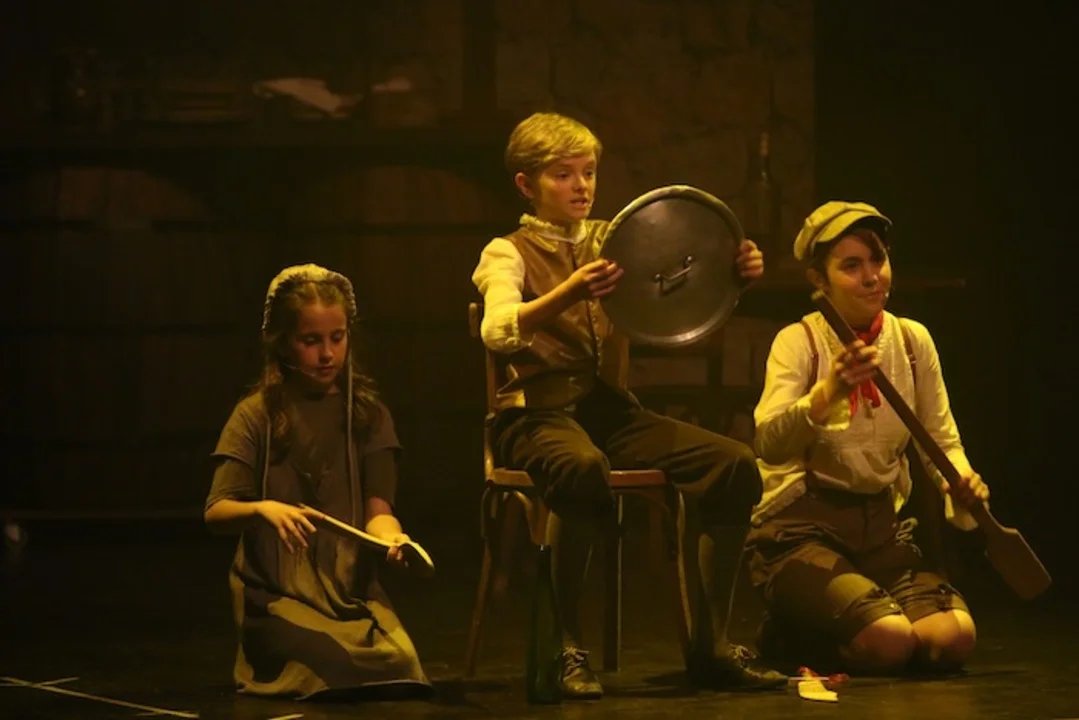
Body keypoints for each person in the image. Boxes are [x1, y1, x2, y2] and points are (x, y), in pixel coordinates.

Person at [471, 111, 786, 698]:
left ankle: (712, 648)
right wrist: (567, 292)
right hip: (533, 415)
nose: (581, 186)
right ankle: (563, 649)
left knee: (733, 463)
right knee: (580, 465)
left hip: (606, 410)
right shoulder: (506, 253)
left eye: (588, 172)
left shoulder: (611, 240)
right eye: (563, 175)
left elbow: (676, 282)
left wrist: (735, 271)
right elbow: (498, 330)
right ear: (526, 185)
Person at [749, 201, 986, 675]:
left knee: (953, 638)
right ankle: (788, 632)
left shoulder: (912, 342)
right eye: (851, 266)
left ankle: (859, 618)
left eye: (878, 260)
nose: (872, 277)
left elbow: (941, 439)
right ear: (819, 279)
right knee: (891, 641)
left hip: (879, 530)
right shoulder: (799, 342)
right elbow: (768, 445)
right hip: (802, 533)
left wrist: (960, 481)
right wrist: (827, 393)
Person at [204, 263, 430, 699]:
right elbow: (216, 511)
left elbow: (379, 512)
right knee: (332, 662)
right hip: (278, 593)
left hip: (348, 592)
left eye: (337, 338)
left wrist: (393, 539)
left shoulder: (367, 414)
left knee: (401, 663)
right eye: (311, 341)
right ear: (283, 342)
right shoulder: (255, 415)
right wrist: (263, 510)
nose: (327, 354)